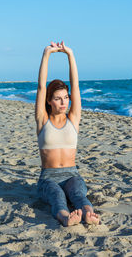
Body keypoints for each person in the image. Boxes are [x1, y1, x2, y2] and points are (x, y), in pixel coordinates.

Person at [35, 41, 100, 227]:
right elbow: (41, 86)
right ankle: (65, 218)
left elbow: (76, 86)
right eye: (57, 98)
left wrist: (70, 55)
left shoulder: (73, 118)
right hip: (48, 177)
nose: (63, 102)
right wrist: (47, 53)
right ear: (49, 101)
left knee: (78, 195)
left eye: (65, 98)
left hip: (72, 174)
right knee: (57, 197)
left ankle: (89, 214)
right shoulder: (42, 119)